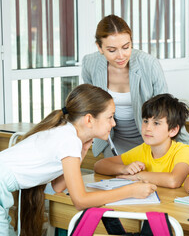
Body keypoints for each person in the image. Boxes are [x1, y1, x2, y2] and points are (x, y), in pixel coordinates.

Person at [0, 84, 156, 236]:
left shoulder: (67, 135)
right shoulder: (69, 140)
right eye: (110, 117)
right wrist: (131, 191)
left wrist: (82, 151)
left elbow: (57, 187)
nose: (114, 123)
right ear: (89, 120)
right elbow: (80, 201)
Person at [81, 14, 189, 158]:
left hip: (149, 138)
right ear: (99, 47)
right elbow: (89, 106)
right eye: (112, 50)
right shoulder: (90, 64)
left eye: (126, 47)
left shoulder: (148, 64)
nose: (121, 56)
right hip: (113, 140)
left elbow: (167, 110)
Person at [94, 94, 189, 188]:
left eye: (156, 123)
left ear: (173, 130)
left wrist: (138, 176)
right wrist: (124, 169)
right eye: (146, 121)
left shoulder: (183, 150)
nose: (148, 128)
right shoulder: (143, 150)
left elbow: (174, 180)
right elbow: (99, 165)